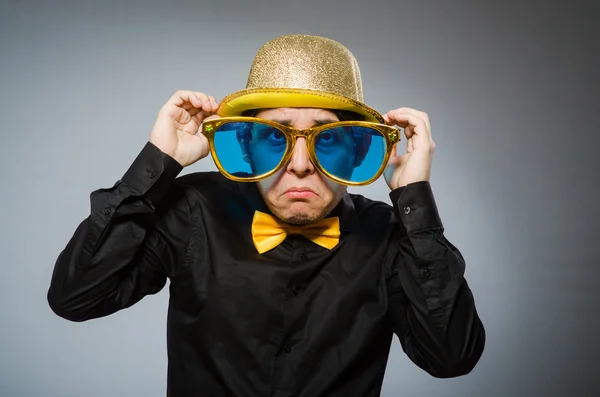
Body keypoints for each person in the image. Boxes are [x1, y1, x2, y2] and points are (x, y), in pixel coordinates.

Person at [47, 34, 485, 397]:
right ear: (250, 145)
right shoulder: (194, 209)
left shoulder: (391, 236)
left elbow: (450, 358)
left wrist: (416, 202)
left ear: (354, 149)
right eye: (276, 137)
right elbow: (76, 297)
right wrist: (159, 162)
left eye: (325, 138)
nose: (299, 164)